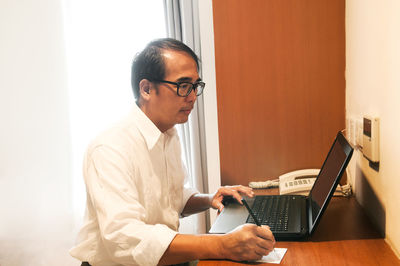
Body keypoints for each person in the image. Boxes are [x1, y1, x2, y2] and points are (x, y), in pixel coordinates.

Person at [70, 38, 275, 266]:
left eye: (195, 86)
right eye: (183, 86)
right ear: (147, 89)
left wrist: (209, 199)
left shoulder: (168, 133)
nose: (192, 97)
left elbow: (171, 199)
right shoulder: (109, 148)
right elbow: (126, 239)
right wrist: (222, 244)